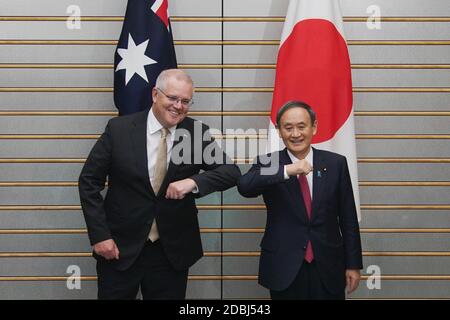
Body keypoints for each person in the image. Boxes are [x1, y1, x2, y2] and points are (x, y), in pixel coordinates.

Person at [79, 69, 241, 299]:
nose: (178, 106)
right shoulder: (120, 129)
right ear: (155, 94)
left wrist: (193, 182)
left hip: (171, 252)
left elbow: (231, 172)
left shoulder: (196, 133)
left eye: (186, 101)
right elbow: (88, 182)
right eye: (172, 98)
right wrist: (99, 235)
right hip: (119, 248)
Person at [237, 101, 362, 300]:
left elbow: (348, 218)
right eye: (288, 128)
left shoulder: (335, 163)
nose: (295, 134)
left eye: (301, 126)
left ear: (314, 127)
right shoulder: (270, 163)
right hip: (284, 265)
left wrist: (353, 264)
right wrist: (288, 170)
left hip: (328, 264)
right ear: (279, 131)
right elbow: (245, 186)